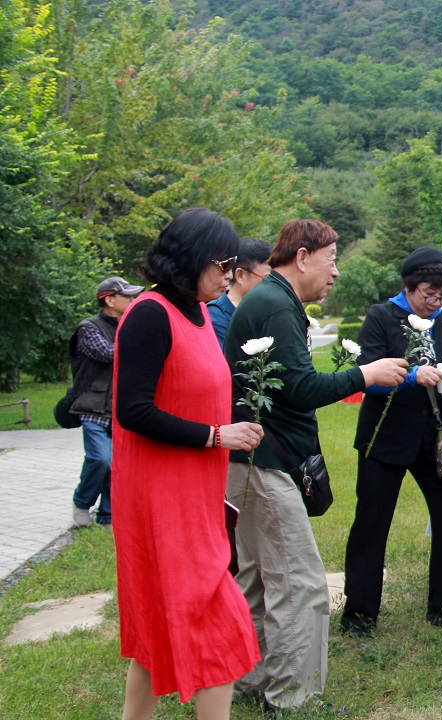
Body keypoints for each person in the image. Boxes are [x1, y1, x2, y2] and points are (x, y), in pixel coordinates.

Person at [223, 219, 408, 715]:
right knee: (299, 582)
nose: (337, 273)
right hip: (265, 461)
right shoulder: (277, 305)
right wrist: (364, 374)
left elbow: (286, 386)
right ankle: (292, 696)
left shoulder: (271, 301)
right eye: (332, 260)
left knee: (259, 578)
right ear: (302, 257)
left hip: (252, 458)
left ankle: (246, 679)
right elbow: (301, 389)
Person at [111, 208, 265, 718]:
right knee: (219, 618)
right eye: (223, 263)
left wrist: (237, 424)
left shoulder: (199, 314)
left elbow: (196, 392)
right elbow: (133, 411)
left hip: (196, 492)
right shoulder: (150, 313)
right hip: (159, 494)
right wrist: (216, 436)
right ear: (191, 257)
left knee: (161, 622)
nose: (230, 273)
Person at [341, 246, 442, 635]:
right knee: (372, 521)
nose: (434, 303)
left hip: (437, 437)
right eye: (427, 295)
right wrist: (411, 375)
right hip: (385, 436)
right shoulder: (382, 318)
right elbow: (367, 375)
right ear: (409, 286)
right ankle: (360, 614)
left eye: (441, 296)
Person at [70, 276, 143, 527]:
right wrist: (144, 343)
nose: (133, 301)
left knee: (116, 464)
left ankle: (107, 515)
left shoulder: (128, 325)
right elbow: (107, 353)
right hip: (93, 407)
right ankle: (82, 503)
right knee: (99, 458)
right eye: (128, 297)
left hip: (119, 407)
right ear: (110, 300)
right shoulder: (88, 327)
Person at [206, 238, 272, 348]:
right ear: (241, 275)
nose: (272, 285)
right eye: (267, 278)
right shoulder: (217, 315)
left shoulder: (267, 311)